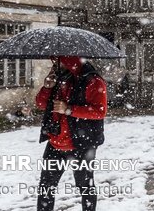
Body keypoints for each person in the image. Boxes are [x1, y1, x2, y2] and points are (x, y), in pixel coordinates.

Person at [35, 56, 108, 211]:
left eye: (58, 62)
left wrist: (69, 109)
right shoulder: (59, 79)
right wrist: (47, 87)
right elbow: (41, 104)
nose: (54, 65)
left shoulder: (92, 81)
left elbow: (99, 111)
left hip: (81, 144)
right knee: (46, 187)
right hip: (56, 143)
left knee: (85, 186)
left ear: (69, 61)